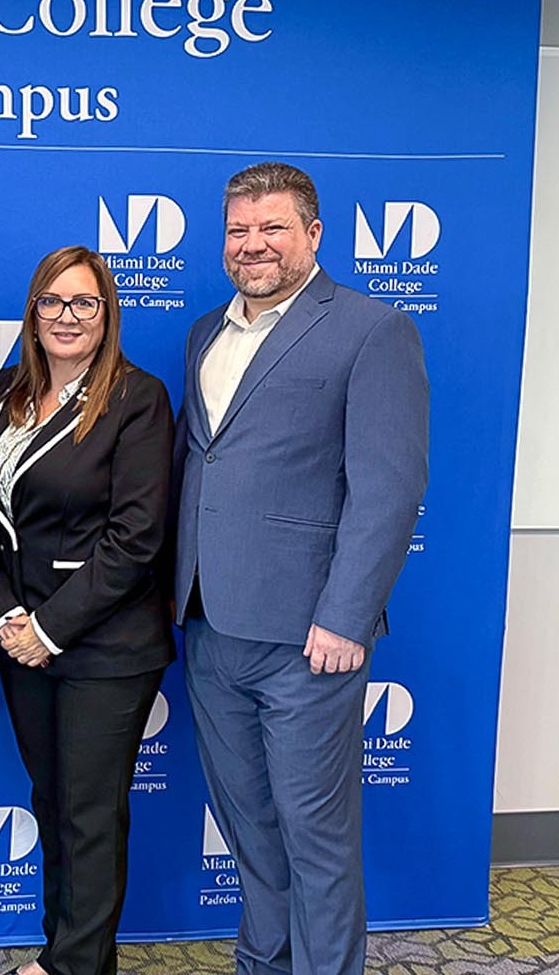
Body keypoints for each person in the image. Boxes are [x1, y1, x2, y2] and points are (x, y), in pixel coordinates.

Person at [173, 162, 429, 975]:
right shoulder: (206, 331)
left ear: (314, 234)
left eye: (273, 227)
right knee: (248, 824)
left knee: (316, 839)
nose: (254, 245)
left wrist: (348, 616)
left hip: (309, 636)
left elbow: (389, 488)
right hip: (210, 625)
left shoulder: (370, 328)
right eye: (239, 230)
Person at [0, 246, 175, 975]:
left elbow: (136, 535)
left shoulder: (136, 398)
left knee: (89, 812)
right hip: (19, 640)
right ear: (33, 312)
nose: (66, 316)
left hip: (106, 644)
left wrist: (48, 626)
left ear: (106, 313)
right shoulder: (8, 390)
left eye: (83, 302)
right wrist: (3, 620)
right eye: (51, 302)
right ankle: (72, 954)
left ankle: (74, 966)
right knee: (52, 799)